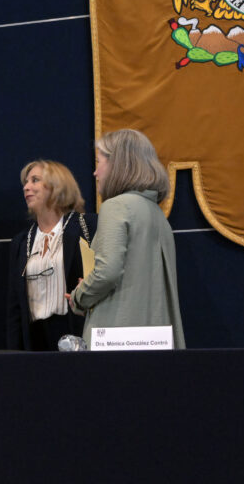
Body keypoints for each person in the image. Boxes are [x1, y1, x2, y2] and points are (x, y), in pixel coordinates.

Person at [69, 129, 185, 348]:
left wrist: (79, 297)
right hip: (157, 342)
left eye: (98, 162)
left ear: (118, 163)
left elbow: (107, 272)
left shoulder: (116, 207)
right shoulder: (158, 215)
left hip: (119, 340)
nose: (95, 172)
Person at [6, 160, 97, 351]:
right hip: (36, 338)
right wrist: (13, 354)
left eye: (35, 180)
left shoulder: (87, 226)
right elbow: (14, 308)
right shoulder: (22, 242)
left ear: (57, 185)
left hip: (77, 333)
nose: (26, 187)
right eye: (26, 182)